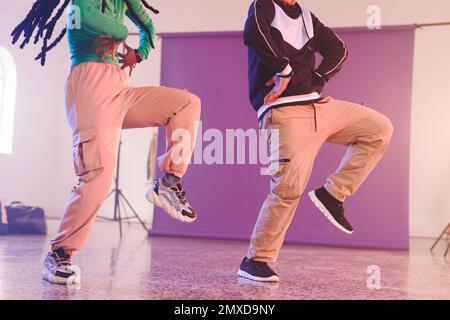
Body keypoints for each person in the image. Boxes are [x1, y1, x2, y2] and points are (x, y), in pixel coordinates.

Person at [12, 0, 201, 285]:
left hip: (119, 85)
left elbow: (148, 26)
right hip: (88, 81)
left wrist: (140, 54)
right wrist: (124, 34)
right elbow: (88, 18)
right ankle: (60, 252)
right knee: (98, 175)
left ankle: (169, 180)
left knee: (186, 103)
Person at [238, 0, 393, 282]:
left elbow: (339, 50)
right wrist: (284, 70)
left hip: (319, 104)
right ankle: (255, 260)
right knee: (288, 188)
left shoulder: (308, 17)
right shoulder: (264, 5)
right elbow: (253, 32)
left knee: (379, 128)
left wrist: (319, 78)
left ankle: (333, 194)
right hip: (283, 111)